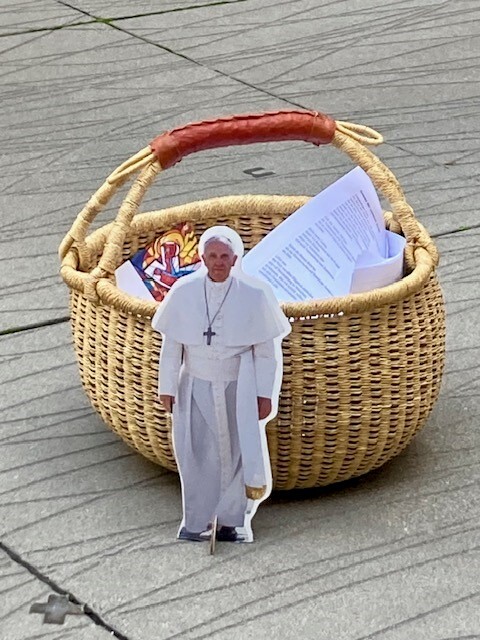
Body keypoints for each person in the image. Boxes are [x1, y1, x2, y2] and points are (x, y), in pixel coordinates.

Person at [151, 226, 290, 543]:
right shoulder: (184, 292)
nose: (218, 262)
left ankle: (230, 522)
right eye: (212, 256)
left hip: (237, 386)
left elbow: (265, 352)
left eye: (224, 256)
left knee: (238, 451)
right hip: (194, 384)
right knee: (196, 452)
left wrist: (264, 394)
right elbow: (172, 347)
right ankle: (196, 521)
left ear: (234, 259)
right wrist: (167, 387)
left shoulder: (254, 296)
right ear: (202, 258)